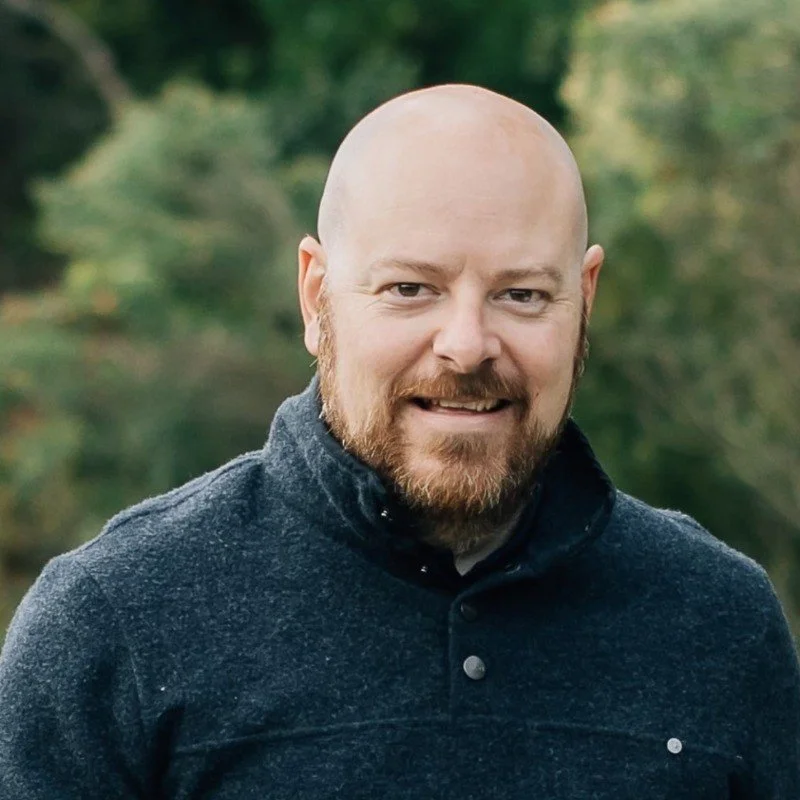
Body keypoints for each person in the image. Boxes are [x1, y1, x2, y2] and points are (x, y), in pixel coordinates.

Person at [0, 84, 798, 799]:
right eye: (410, 289)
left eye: (521, 294)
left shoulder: (720, 623)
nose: (466, 345)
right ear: (317, 296)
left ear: (583, 300)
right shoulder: (115, 624)